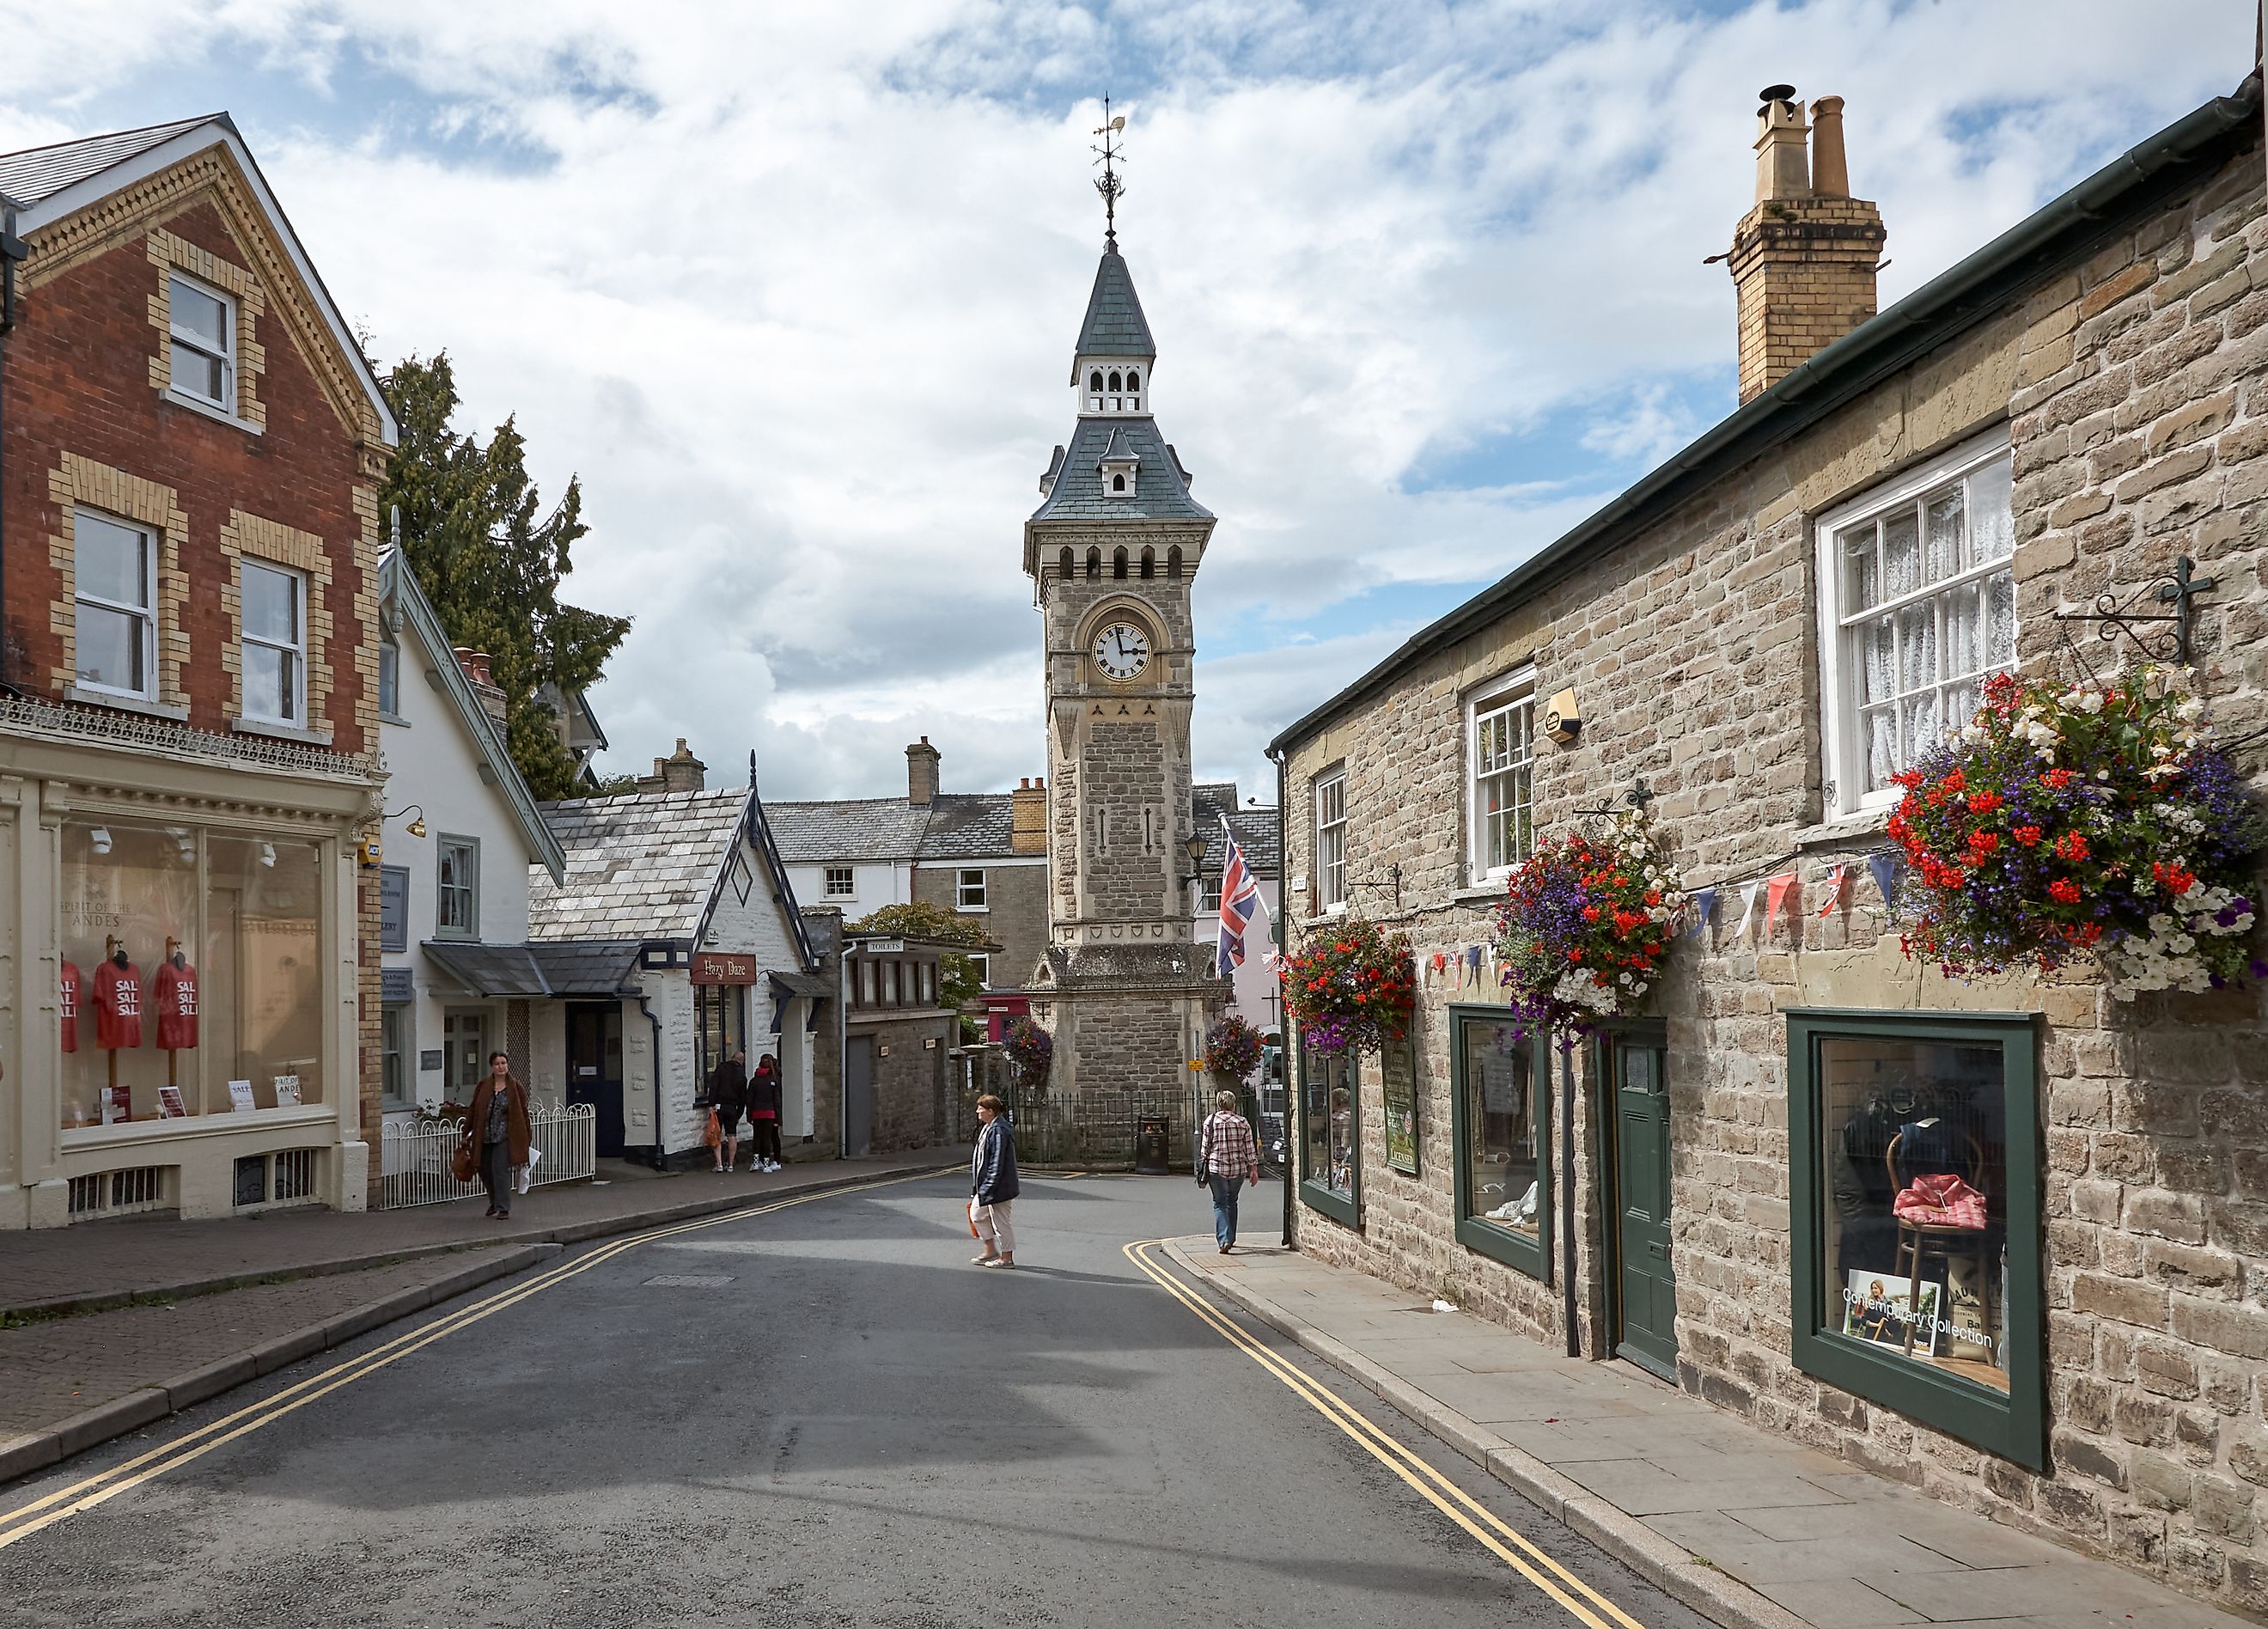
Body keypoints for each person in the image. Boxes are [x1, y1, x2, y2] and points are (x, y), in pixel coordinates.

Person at [462, 1052, 531, 1220]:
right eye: (497, 1064)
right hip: (484, 1136)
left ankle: (503, 1208)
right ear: (492, 1067)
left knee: (500, 1170)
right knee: (484, 1169)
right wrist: (466, 1132)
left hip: (504, 1136)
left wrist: (527, 1136)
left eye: (504, 1063)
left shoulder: (515, 1087)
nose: (501, 1067)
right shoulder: (483, 1086)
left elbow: (523, 1113)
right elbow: (473, 1109)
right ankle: (494, 1202)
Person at [1197, 1089, 1262, 1254]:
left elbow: (1204, 1150)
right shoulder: (1242, 1122)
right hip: (1237, 1170)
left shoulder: (1210, 1121)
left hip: (1216, 1169)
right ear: (1234, 1104)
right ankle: (1231, 1238)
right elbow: (1249, 1148)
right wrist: (1254, 1169)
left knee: (1219, 1203)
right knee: (1232, 1201)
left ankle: (1224, 1239)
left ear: (1219, 1104)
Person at [969, 1094, 1020, 1268]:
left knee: (1001, 1222)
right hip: (987, 1186)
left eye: (981, 1110)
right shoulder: (989, 1127)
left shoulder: (999, 1131)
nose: (978, 1113)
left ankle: (1007, 1258)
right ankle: (990, 1250)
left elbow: (996, 1163)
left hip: (999, 1186)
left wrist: (988, 1187)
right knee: (976, 1215)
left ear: (990, 1111)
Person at [709, 1046, 748, 1173]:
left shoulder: (721, 1068)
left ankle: (719, 1164)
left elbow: (713, 1087)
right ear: (741, 1061)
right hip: (732, 1108)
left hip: (719, 1106)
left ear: (732, 1058)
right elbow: (743, 1098)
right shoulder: (742, 1076)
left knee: (717, 1135)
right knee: (732, 1136)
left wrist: (711, 1104)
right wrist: (739, 1114)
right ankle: (731, 1165)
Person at [749, 1052, 783, 1172]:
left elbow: (750, 1100)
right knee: (767, 1138)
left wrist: (749, 1117)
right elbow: (777, 1101)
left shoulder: (754, 1081)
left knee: (757, 1138)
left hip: (757, 1113)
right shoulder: (773, 1081)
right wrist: (778, 1119)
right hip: (770, 1113)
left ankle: (756, 1163)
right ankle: (767, 1163)